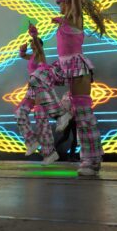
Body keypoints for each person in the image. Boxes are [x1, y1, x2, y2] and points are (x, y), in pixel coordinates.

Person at [48, 0, 105, 176]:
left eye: (61, 1)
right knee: (39, 79)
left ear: (70, 4)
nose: (58, 5)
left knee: (83, 116)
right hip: (62, 67)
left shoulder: (75, 18)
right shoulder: (64, 22)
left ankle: (91, 160)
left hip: (77, 68)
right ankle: (62, 113)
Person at [16, 25, 72, 165]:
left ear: (38, 45)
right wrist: (22, 49)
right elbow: (22, 56)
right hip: (33, 88)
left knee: (41, 118)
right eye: (30, 44)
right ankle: (32, 141)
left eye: (33, 43)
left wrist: (34, 35)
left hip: (41, 86)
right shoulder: (32, 56)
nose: (31, 44)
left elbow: (38, 47)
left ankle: (49, 153)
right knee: (20, 112)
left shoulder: (40, 54)